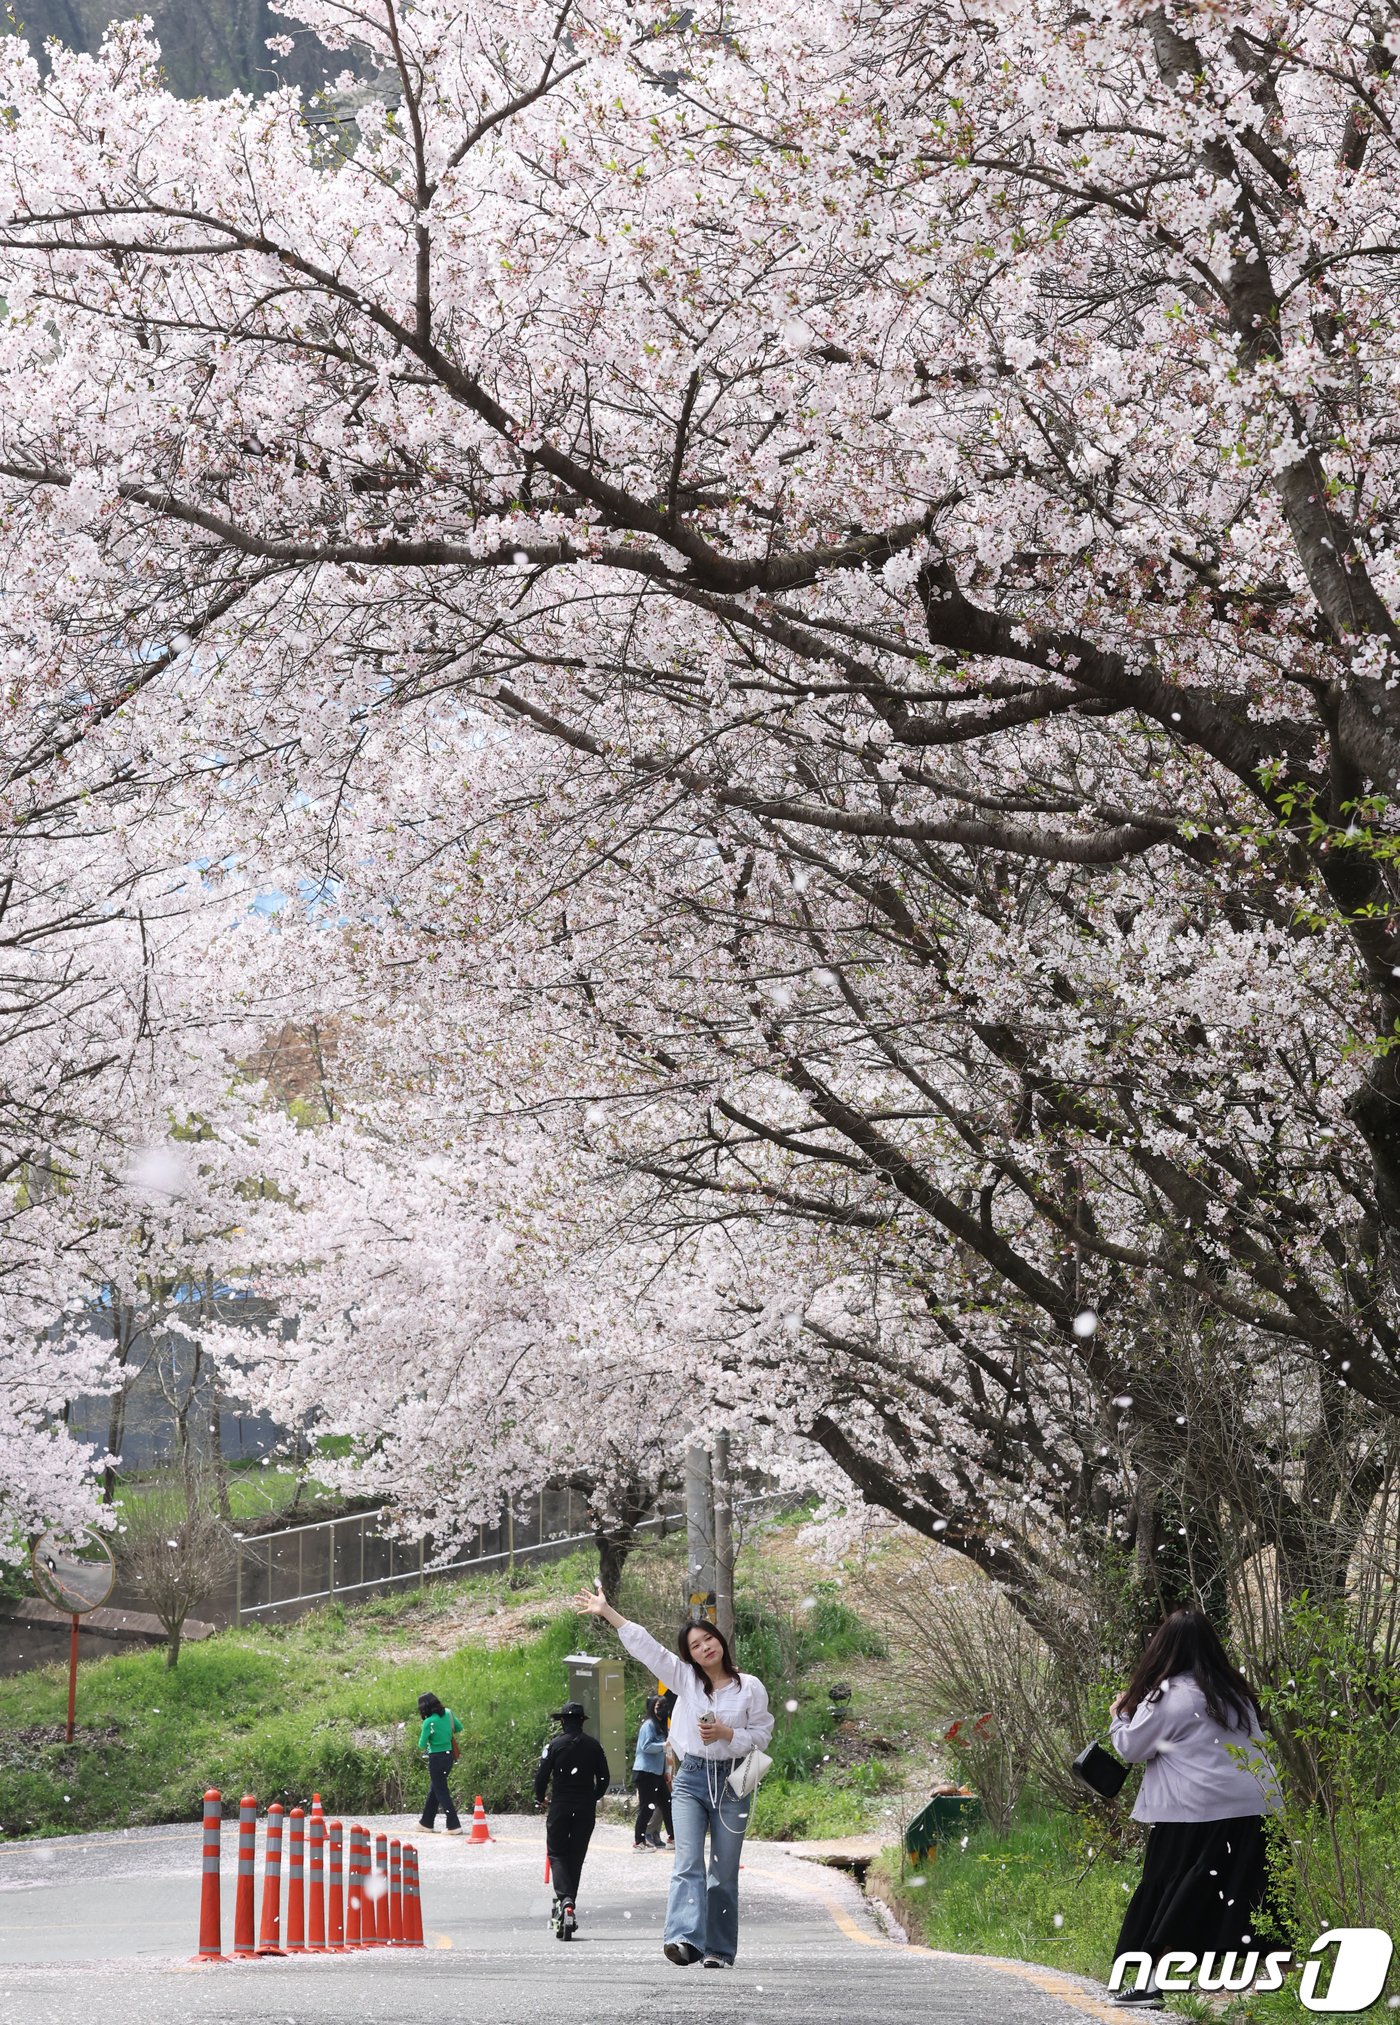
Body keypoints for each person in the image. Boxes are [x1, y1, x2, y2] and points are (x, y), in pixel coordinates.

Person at [575, 1585, 773, 1969]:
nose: (704, 1648)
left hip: (735, 1782)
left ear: (720, 1642)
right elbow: (648, 1648)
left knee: (724, 1871)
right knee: (687, 1863)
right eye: (696, 1646)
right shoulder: (685, 1680)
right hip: (692, 1779)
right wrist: (608, 1612)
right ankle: (683, 1940)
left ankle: (718, 1949)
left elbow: (763, 1735)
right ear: (690, 1656)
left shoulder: (749, 1687)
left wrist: (728, 1734)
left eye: (708, 1640)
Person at [1108, 1609, 1280, 2009]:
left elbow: (1131, 1748)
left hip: (1195, 1811)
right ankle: (1268, 1990)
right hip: (1255, 1807)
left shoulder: (1169, 1696)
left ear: (1163, 1649)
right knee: (1247, 1896)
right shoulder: (1235, 1693)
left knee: (1173, 1894)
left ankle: (1151, 1984)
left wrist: (1120, 1715)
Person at [533, 1699, 611, 1940]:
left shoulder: (554, 1745)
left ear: (564, 1722)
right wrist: (592, 1796)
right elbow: (604, 1778)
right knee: (576, 1855)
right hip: (584, 1808)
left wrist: (540, 1798)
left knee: (557, 1853)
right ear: (581, 1722)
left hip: (560, 1806)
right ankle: (570, 1905)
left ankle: (564, 1899)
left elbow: (541, 1776)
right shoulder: (594, 1746)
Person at [416, 1691, 464, 1833]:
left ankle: (454, 1825)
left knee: (441, 1791)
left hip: (436, 1759)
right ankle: (426, 1823)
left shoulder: (429, 1722)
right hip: (449, 1757)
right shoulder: (448, 1713)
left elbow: (421, 1744)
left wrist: (431, 1733)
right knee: (436, 1789)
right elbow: (459, 1727)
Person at [632, 1695, 674, 1850]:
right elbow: (646, 1746)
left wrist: (666, 1771)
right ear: (652, 1708)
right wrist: (665, 1745)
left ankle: (672, 1837)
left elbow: (664, 1753)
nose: (663, 1709)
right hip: (645, 1772)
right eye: (659, 1706)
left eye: (664, 1705)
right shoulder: (648, 1725)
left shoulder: (661, 1727)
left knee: (667, 1803)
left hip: (657, 1773)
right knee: (647, 1807)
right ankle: (639, 1841)